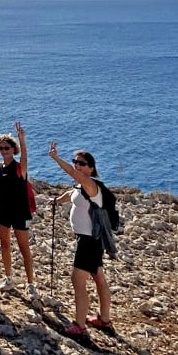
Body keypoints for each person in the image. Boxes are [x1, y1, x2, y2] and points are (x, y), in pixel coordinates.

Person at [48, 143, 115, 339]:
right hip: (91, 239)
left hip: (88, 241)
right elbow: (72, 195)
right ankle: (104, 319)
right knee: (98, 277)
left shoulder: (91, 184)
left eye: (81, 163)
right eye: (75, 162)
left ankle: (79, 325)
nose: (77, 165)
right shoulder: (82, 186)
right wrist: (56, 201)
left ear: (91, 168)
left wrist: (56, 158)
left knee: (77, 280)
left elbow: (71, 173)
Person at [0, 121, 39, 298]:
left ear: (13, 149)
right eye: (1, 148)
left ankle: (30, 284)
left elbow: (25, 158)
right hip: (2, 211)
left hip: (19, 212)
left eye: (7, 147)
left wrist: (22, 139)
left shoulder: (19, 168)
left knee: (24, 248)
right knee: (5, 245)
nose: (4, 150)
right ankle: (9, 278)